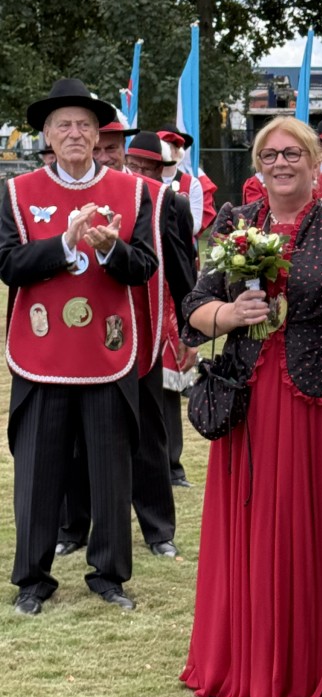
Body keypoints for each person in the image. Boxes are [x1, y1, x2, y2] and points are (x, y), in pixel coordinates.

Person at [180, 116, 322, 697]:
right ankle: (246, 660)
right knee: (250, 530)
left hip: (321, 406)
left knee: (314, 531)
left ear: (315, 161)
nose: (281, 163)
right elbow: (192, 307)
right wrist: (228, 313)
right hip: (249, 405)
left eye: (292, 153)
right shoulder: (236, 225)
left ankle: (312, 665)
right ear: (258, 165)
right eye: (270, 155)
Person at [0, 78, 158, 614]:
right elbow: (8, 266)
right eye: (63, 124)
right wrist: (63, 244)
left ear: (98, 135)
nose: (74, 133)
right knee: (38, 470)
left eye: (85, 125)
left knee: (112, 468)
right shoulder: (18, 194)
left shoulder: (131, 192)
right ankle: (33, 578)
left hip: (107, 348)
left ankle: (109, 573)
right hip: (42, 351)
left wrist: (112, 248)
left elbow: (145, 269)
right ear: (46, 133)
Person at [55, 128, 197, 559]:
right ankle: (72, 527)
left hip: (139, 333)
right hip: (77, 337)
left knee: (148, 432)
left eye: (112, 149)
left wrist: (189, 329)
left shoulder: (159, 198)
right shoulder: (63, 197)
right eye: (98, 150)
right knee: (74, 434)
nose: (105, 156)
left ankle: (158, 531)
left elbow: (180, 267)